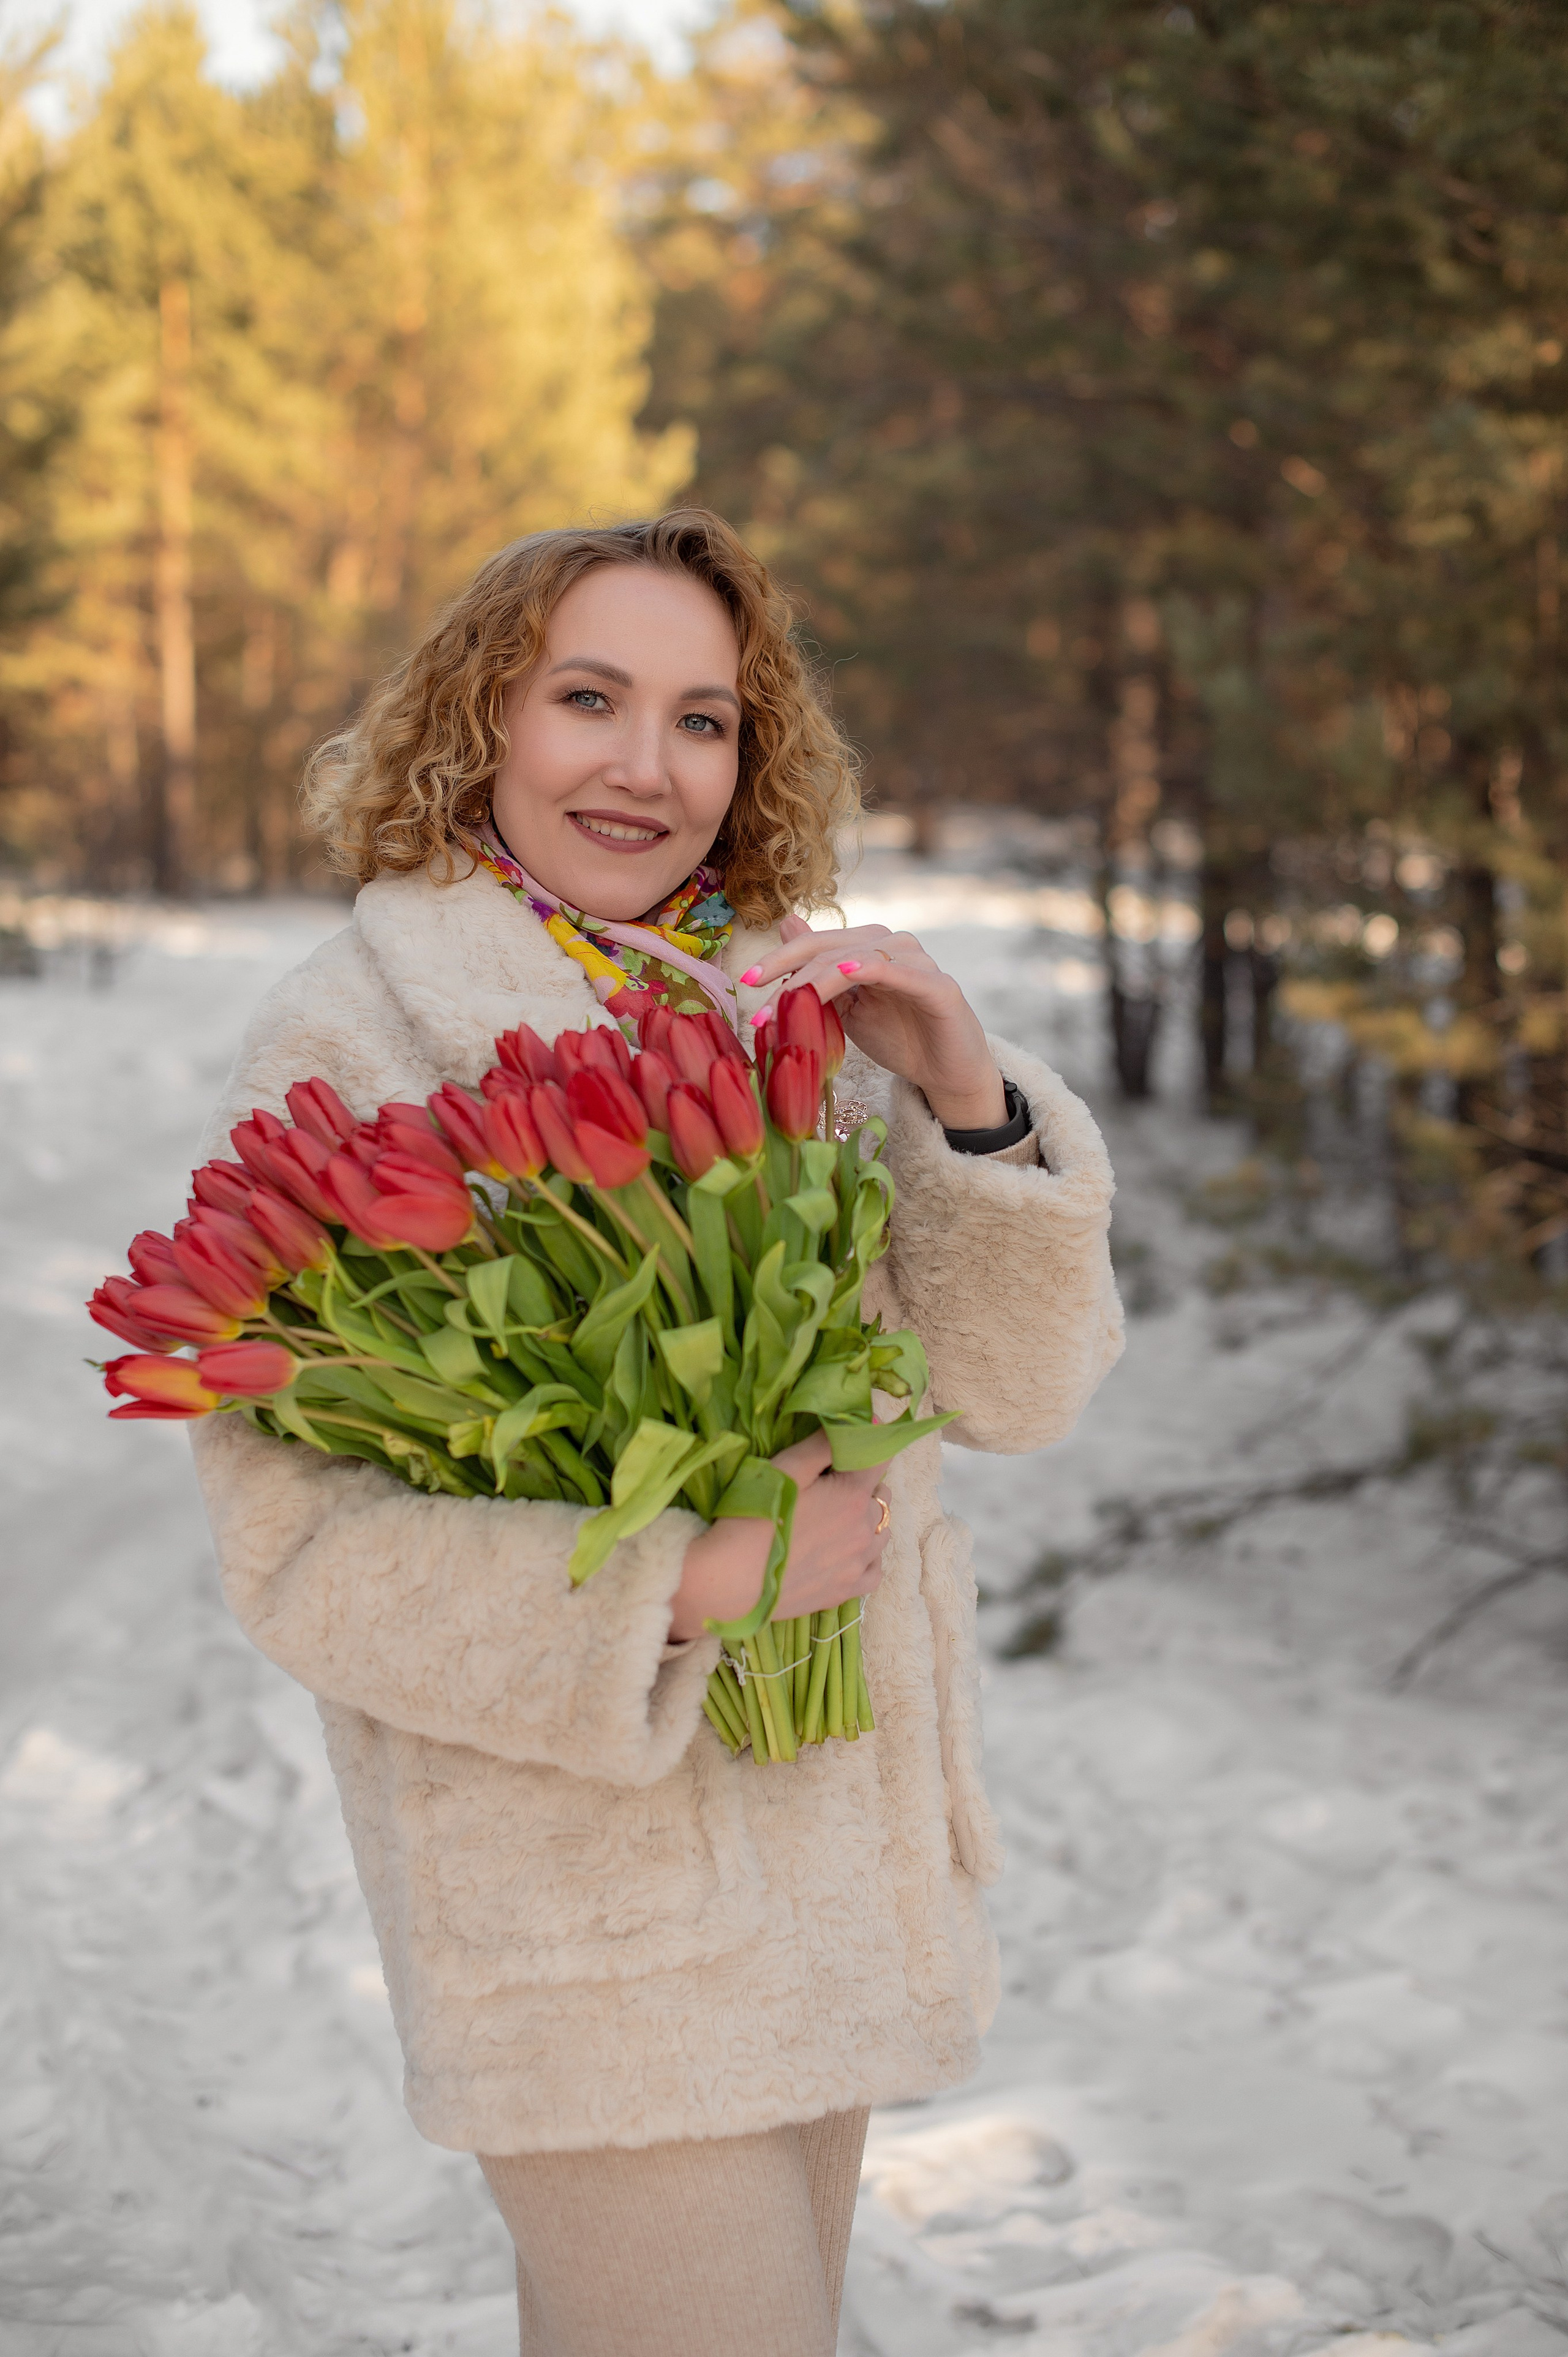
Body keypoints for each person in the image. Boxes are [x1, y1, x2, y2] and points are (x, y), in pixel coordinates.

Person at [190, 508, 1123, 2357]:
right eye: (588, 699)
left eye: (702, 719)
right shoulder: (354, 1041)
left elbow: (1016, 1392)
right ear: (481, 717)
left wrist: (962, 1088)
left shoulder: (796, 1004)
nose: (646, 767)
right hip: (585, 1904)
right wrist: (686, 1583)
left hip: (837, 1865)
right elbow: (295, 1549)